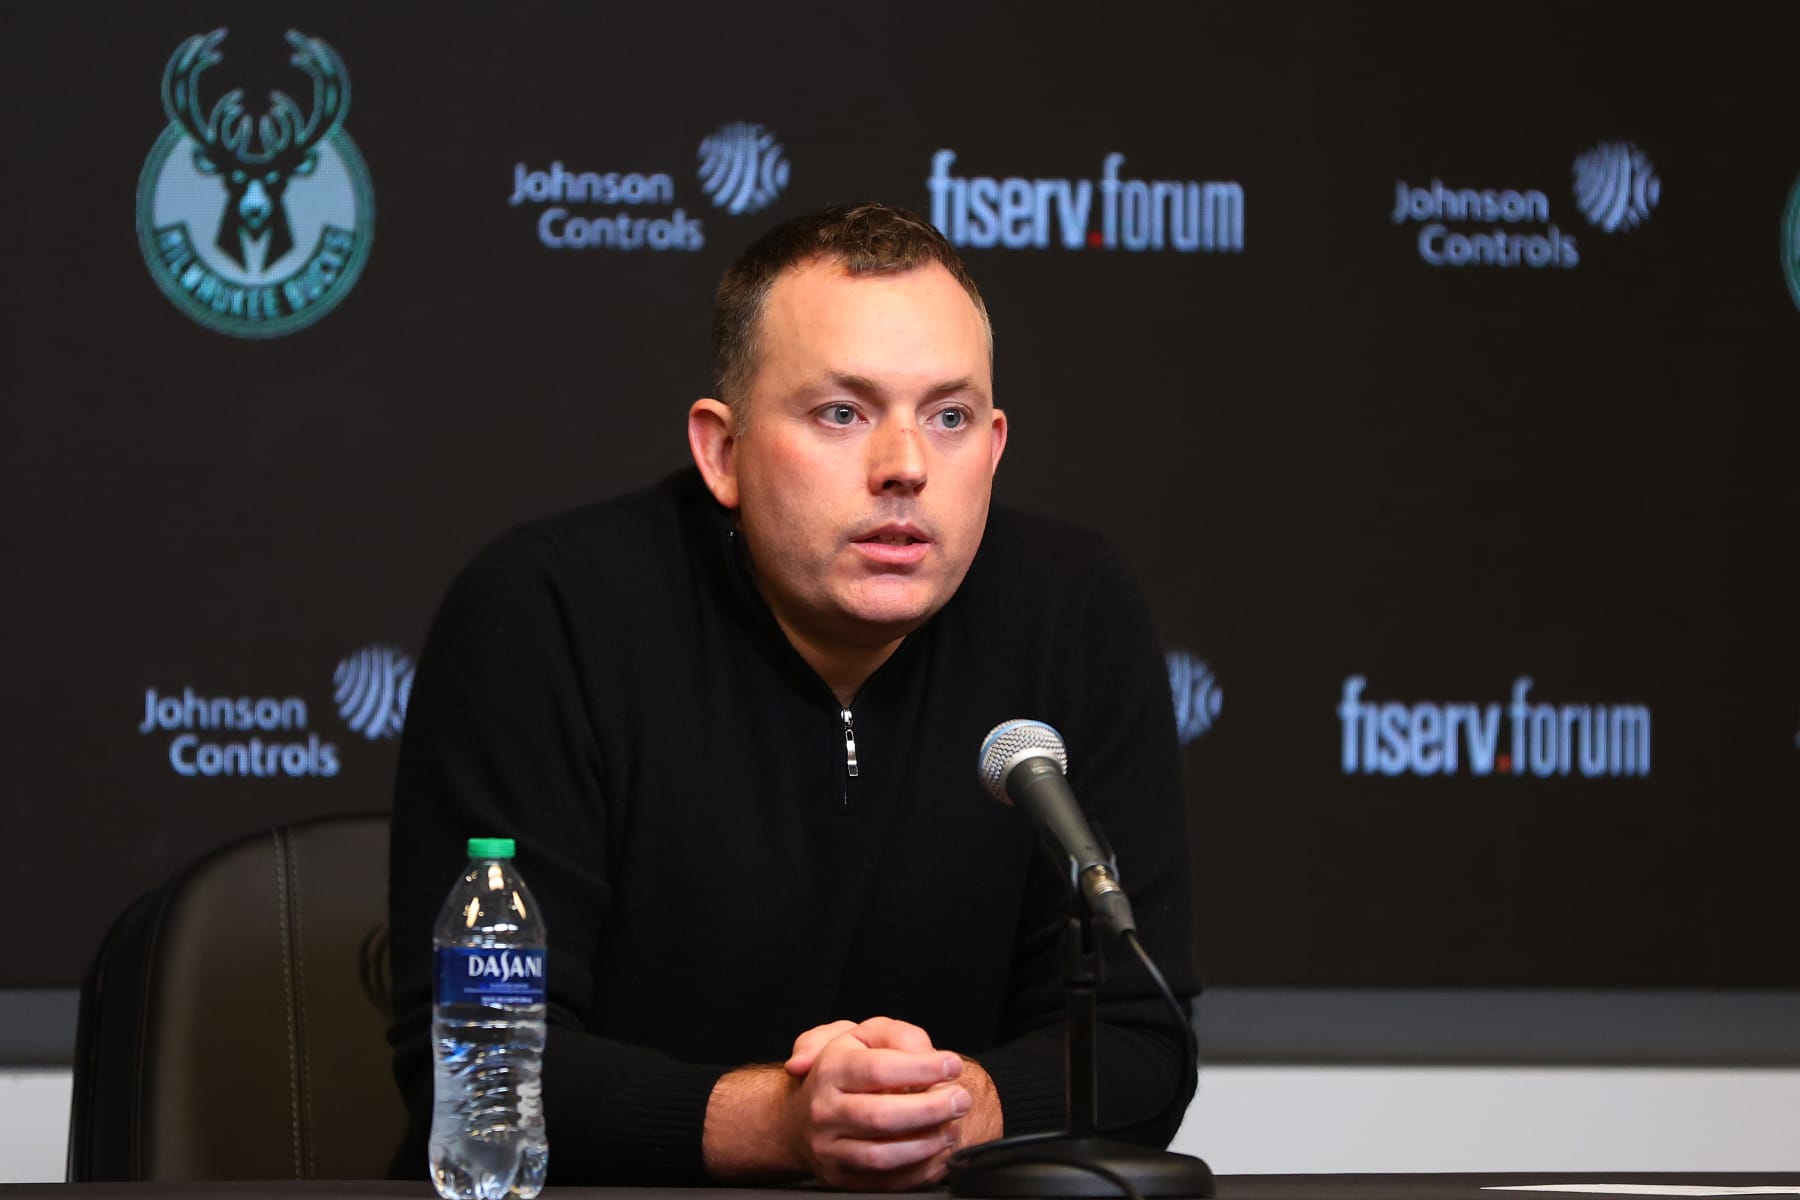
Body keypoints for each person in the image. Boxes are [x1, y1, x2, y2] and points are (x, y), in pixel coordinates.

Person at [386, 202, 1198, 1190]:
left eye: (948, 418)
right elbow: (479, 1074)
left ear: (993, 447)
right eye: (841, 413)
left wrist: (943, 1110)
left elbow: (1139, 1042)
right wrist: (786, 1122)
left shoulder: (1071, 611)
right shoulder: (547, 612)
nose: (904, 466)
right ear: (721, 452)